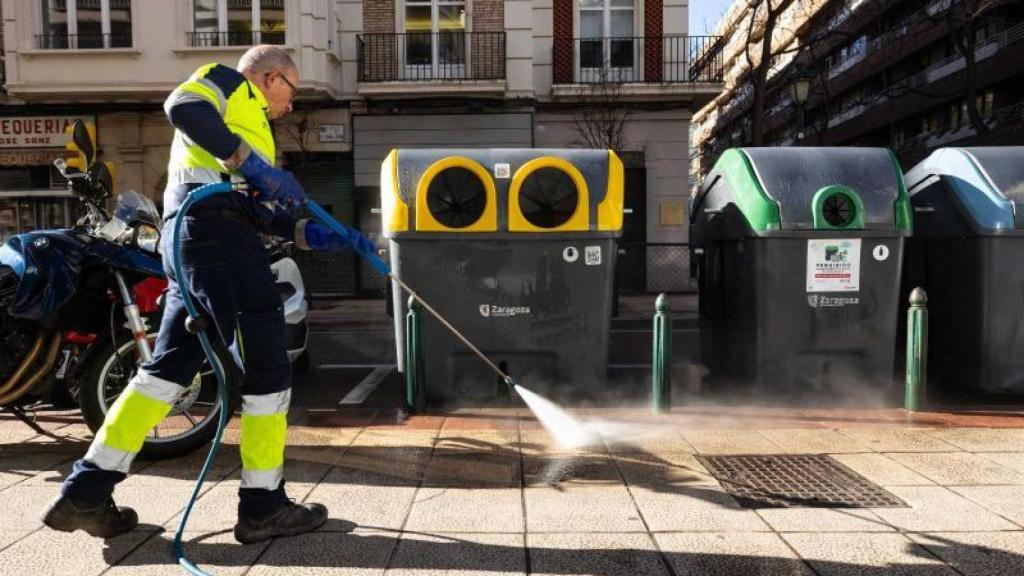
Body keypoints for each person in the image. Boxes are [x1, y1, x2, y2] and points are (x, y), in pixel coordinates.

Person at [42, 45, 375, 544]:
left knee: (165, 372)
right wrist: (251, 165)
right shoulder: (225, 81)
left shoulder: (250, 126)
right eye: (292, 91)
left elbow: (257, 210)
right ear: (271, 76)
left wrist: (316, 232)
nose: (290, 105)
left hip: (197, 241)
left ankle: (85, 492)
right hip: (216, 239)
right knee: (268, 367)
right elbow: (182, 106)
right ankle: (263, 506)